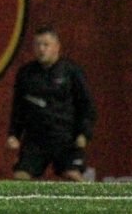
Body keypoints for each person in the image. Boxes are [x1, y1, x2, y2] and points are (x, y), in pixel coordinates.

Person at [7, 26, 96, 181]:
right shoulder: (26, 73)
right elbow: (18, 109)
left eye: (46, 45)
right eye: (37, 45)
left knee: (72, 176)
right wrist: (13, 134)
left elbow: (86, 105)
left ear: (57, 47)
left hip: (65, 137)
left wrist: (84, 133)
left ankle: (93, 203)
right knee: (20, 178)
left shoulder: (71, 71)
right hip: (35, 140)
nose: (41, 49)